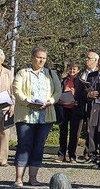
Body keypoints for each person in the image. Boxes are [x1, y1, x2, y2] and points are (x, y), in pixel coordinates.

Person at [12, 46, 62, 187]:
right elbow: (16, 90)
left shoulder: (51, 74)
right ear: (32, 57)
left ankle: (33, 178)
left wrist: (50, 101)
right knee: (24, 145)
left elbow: (58, 91)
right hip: (26, 116)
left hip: (45, 115)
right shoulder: (22, 73)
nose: (41, 60)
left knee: (38, 146)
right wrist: (28, 103)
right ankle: (19, 178)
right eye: (39, 57)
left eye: (44, 58)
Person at [55, 62, 86, 163]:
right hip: (64, 108)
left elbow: (84, 97)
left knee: (74, 133)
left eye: (74, 69)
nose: (72, 71)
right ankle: (61, 154)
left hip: (75, 110)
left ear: (78, 71)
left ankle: (72, 155)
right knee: (63, 133)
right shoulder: (63, 81)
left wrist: (78, 102)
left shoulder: (81, 83)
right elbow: (57, 93)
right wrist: (59, 100)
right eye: (70, 69)